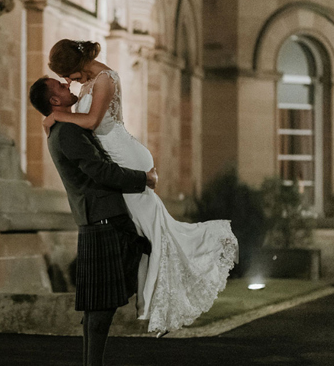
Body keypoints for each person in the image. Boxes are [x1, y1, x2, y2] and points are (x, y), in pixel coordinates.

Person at [44, 39, 239, 335]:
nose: (67, 82)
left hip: (127, 157)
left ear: (78, 65)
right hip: (117, 158)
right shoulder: (87, 83)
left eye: (68, 75)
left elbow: (94, 120)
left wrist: (58, 115)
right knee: (152, 230)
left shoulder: (106, 79)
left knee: (155, 231)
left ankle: (212, 242)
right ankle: (140, 292)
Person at [29, 76, 158, 366]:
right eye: (60, 87)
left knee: (99, 308)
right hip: (103, 221)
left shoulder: (64, 128)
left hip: (100, 220)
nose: (67, 85)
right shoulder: (67, 132)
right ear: (54, 101)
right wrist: (144, 179)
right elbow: (100, 171)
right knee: (102, 307)